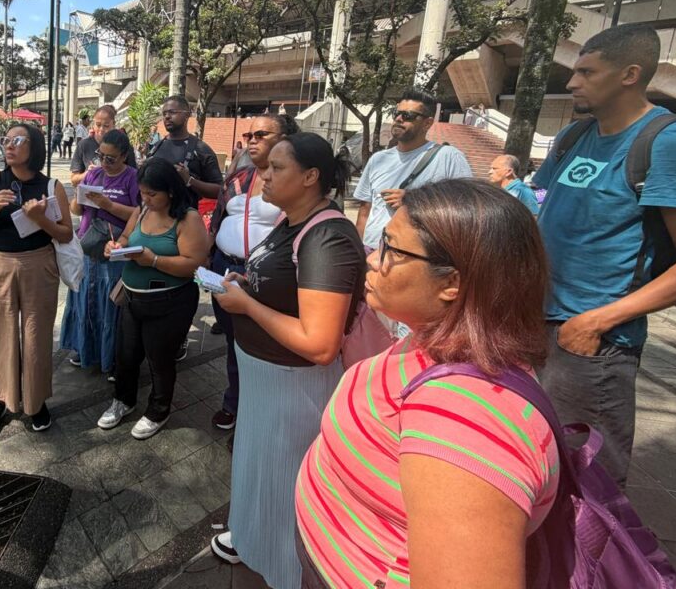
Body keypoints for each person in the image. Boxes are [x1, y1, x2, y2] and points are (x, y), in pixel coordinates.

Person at [295, 179, 560, 589]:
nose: (371, 260)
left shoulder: (467, 419)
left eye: (392, 251)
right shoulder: (435, 340)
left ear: (452, 283)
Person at [533, 23, 676, 487]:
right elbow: (538, 212)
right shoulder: (574, 137)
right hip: (537, 326)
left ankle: (600, 563)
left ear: (630, 74)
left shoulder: (668, 143)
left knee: (587, 485)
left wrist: (597, 322)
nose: (572, 82)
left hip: (593, 343)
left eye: (587, 72)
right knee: (537, 468)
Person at [207, 133, 365, 589]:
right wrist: (246, 283)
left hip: (293, 385)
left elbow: (319, 343)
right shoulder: (293, 220)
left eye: (277, 168)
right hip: (264, 377)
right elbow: (281, 284)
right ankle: (256, 541)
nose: (264, 175)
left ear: (311, 177)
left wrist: (248, 306)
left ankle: (286, 570)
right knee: (261, 467)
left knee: (284, 480)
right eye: (266, 166)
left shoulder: (326, 237)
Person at [0, 123, 74, 437]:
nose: (8, 145)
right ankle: (1, 400)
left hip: (39, 265)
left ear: (35, 146)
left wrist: (41, 219)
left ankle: (36, 401)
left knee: (36, 335)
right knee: (3, 333)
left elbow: (66, 234)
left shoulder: (51, 185)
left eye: (17, 140)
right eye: (5, 140)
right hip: (0, 265)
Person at [97, 158, 209, 440]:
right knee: (126, 356)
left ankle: (158, 410)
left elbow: (194, 263)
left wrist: (154, 260)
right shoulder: (143, 209)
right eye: (142, 192)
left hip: (170, 302)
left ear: (170, 190)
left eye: (152, 194)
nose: (145, 198)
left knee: (160, 360)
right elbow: (125, 235)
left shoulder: (188, 218)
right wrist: (116, 246)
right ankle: (123, 400)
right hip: (133, 299)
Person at [207, 114, 298, 431]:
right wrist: (207, 258)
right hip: (224, 267)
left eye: (261, 133)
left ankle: (258, 409)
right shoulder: (239, 177)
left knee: (259, 342)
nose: (252, 140)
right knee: (233, 339)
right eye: (249, 134)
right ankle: (235, 400)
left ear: (285, 137)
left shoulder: (293, 179)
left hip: (263, 273)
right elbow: (218, 217)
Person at [60, 129, 140, 376]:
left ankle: (113, 357)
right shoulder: (93, 174)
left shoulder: (133, 178)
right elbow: (76, 210)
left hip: (114, 250)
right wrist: (79, 198)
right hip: (88, 246)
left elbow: (141, 214)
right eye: (101, 155)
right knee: (86, 300)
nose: (104, 162)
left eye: (111, 158)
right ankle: (85, 349)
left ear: (124, 156)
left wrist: (108, 205)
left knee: (111, 305)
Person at [354, 89, 473, 251]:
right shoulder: (377, 159)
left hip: (415, 256)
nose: (398, 119)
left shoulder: (449, 157)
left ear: (427, 123)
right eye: (396, 113)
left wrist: (414, 201)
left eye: (408, 115)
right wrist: (358, 250)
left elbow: (465, 210)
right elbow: (365, 211)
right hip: (372, 251)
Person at [148, 95, 223, 208]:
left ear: (187, 115)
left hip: (184, 220)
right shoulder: (156, 147)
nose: (167, 117)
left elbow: (220, 190)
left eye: (172, 112)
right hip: (154, 218)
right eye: (164, 114)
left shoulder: (200, 149)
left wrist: (190, 181)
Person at [69, 105, 135, 186]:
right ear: (93, 124)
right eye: (98, 125)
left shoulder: (125, 146)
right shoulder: (83, 145)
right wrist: (89, 174)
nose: (101, 129)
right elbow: (73, 179)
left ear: (113, 124)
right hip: (91, 195)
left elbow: (134, 178)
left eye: (106, 126)